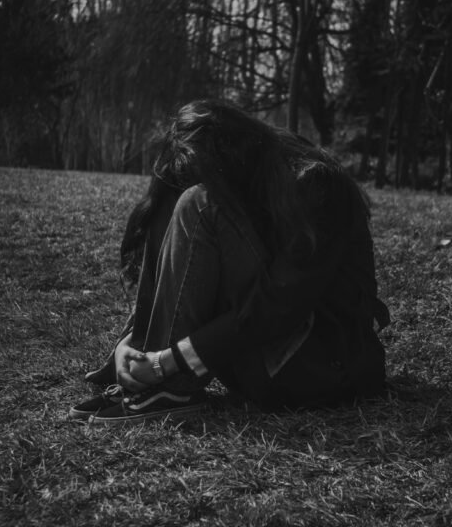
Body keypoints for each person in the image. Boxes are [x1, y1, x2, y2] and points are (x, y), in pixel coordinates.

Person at [72, 99, 389, 425]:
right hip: (250, 362)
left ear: (236, 160)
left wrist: (165, 363)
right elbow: (181, 276)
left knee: (199, 203)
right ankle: (157, 378)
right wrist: (131, 345)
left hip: (320, 369)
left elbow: (277, 305)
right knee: (178, 197)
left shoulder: (318, 185)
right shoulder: (251, 192)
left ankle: (169, 387)